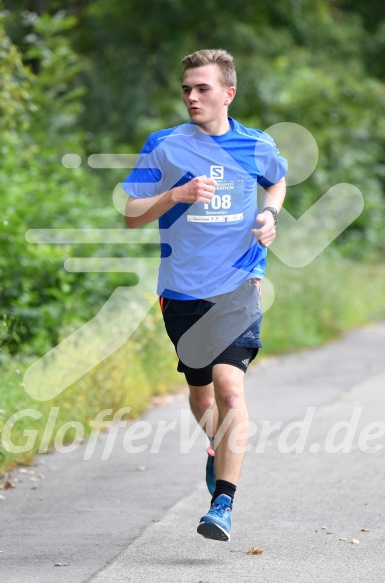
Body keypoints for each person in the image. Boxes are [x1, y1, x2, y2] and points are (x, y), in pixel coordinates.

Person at [122, 49, 287, 542]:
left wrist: (269, 215)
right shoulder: (165, 146)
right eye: (187, 90)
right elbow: (132, 213)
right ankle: (217, 445)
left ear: (228, 93)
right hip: (180, 292)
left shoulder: (256, 145)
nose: (192, 97)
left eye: (203, 89)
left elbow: (276, 182)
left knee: (229, 389)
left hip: (238, 285)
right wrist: (174, 195)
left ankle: (223, 503)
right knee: (200, 394)